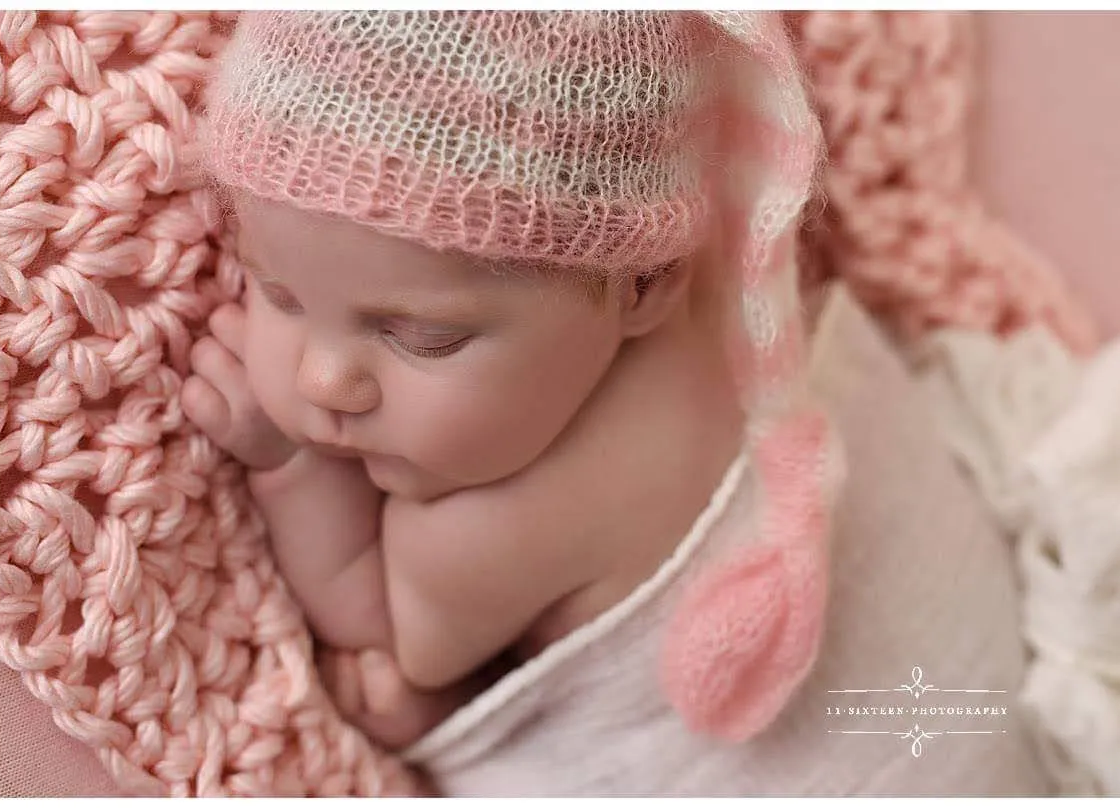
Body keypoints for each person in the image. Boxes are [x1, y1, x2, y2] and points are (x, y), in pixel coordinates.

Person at [184, 11, 1051, 795]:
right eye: (279, 295)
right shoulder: (711, 261)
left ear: (642, 288)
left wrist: (289, 465)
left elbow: (381, 627)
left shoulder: (492, 526)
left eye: (424, 338)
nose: (321, 380)